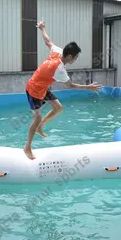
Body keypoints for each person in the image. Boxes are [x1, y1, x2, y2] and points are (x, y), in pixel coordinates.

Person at [24, 21, 103, 160]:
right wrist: (88, 87)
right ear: (70, 56)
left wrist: (42, 28)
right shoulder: (59, 69)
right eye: (76, 57)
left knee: (58, 108)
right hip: (34, 89)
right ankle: (27, 147)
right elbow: (70, 85)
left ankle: (40, 126)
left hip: (42, 86)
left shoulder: (58, 51)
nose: (76, 60)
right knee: (37, 117)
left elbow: (47, 41)